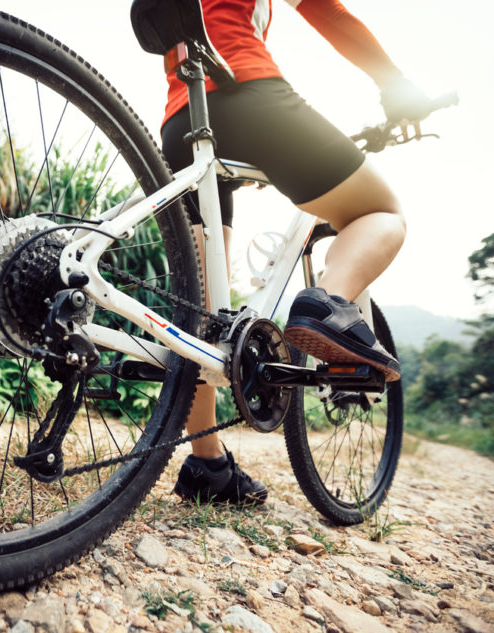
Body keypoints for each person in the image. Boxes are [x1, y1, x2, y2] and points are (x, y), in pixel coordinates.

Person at [161, 0, 432, 506]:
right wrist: (396, 86)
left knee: (200, 311)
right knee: (381, 211)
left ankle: (209, 467)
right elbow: (328, 14)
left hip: (181, 120)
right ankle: (326, 303)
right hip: (249, 94)